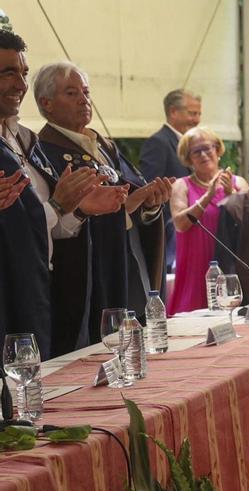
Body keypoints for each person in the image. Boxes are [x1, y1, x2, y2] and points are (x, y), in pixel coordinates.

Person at [35, 61, 171, 355]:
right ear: (46, 103)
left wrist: (150, 205)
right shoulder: (44, 152)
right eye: (71, 93)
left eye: (86, 92)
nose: (84, 100)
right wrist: (123, 209)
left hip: (130, 262)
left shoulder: (104, 146)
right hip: (93, 274)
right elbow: (66, 221)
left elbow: (132, 194)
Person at [0, 30, 121, 358]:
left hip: (42, 286)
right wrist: (56, 205)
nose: (20, 84)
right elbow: (22, 227)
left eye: (24, 73)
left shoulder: (24, 140)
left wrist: (78, 210)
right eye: (8, 72)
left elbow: (45, 226)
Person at [167, 127, 248, 315]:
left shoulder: (238, 183)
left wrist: (231, 195)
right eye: (196, 151)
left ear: (217, 150)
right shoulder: (181, 185)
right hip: (196, 266)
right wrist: (208, 196)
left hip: (230, 263)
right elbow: (180, 224)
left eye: (207, 148)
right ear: (189, 158)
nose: (203, 155)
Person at [139, 89, 202, 276]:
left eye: (199, 114)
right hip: (168, 235)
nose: (197, 120)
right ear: (173, 112)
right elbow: (150, 189)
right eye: (192, 113)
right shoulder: (158, 143)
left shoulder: (189, 144)